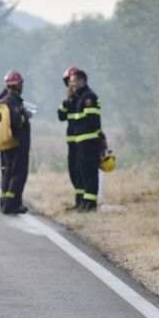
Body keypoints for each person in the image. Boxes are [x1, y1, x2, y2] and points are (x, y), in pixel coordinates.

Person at [0, 70, 31, 214]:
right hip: (17, 144)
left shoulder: (3, 101)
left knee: (8, 173)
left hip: (7, 144)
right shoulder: (13, 101)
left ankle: (5, 201)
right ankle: (11, 204)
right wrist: (25, 115)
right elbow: (17, 121)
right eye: (21, 84)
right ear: (17, 85)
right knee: (18, 173)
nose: (22, 87)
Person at [68, 69, 103, 212]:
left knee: (89, 173)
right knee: (81, 173)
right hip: (80, 142)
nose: (72, 84)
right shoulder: (79, 97)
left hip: (89, 141)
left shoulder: (89, 97)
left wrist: (101, 137)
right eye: (70, 81)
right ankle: (82, 203)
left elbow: (94, 120)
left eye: (74, 80)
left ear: (82, 80)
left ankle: (90, 205)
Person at [58, 66, 83, 210]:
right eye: (68, 82)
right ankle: (78, 202)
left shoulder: (84, 97)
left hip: (83, 142)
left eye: (71, 81)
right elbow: (61, 116)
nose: (70, 85)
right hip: (72, 141)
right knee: (73, 171)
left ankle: (83, 204)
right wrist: (66, 100)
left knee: (82, 172)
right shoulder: (70, 99)